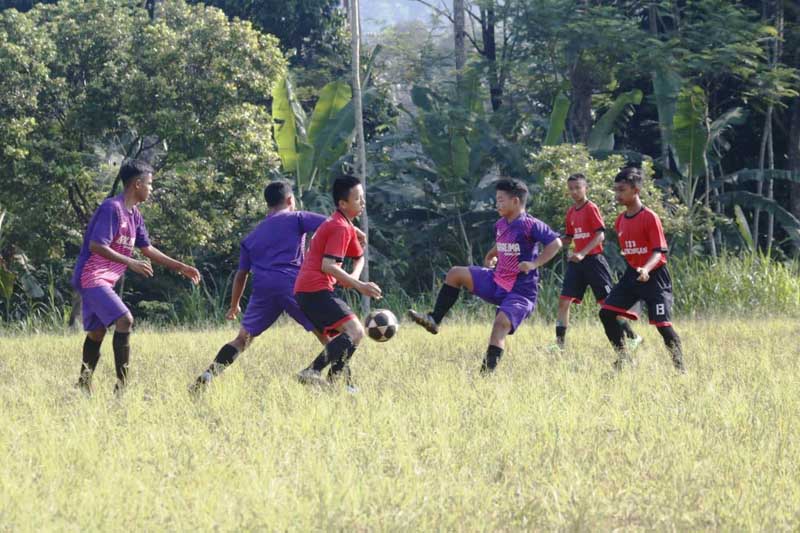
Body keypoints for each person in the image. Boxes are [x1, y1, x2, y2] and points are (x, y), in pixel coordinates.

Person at [190, 180, 342, 392]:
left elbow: (241, 274)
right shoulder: (297, 217)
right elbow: (335, 226)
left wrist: (234, 305)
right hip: (293, 284)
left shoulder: (251, 237)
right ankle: (346, 385)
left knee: (242, 339)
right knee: (328, 334)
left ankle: (205, 377)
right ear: (290, 200)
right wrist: (356, 237)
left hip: (263, 288)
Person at [73, 159, 200, 396]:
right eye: (150, 184)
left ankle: (82, 385)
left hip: (105, 280)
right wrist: (130, 262)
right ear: (137, 184)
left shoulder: (135, 215)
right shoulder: (112, 208)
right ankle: (121, 389)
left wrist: (180, 266)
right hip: (91, 277)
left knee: (97, 333)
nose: (152, 189)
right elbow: (96, 245)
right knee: (125, 320)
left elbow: (147, 249)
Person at [408, 178, 562, 374]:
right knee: (455, 273)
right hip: (496, 280)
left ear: (515, 201)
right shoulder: (500, 224)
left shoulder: (531, 224)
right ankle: (434, 319)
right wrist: (491, 254)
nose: (496, 204)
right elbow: (504, 243)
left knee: (499, 326)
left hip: (520, 292)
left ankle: (484, 377)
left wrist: (534, 263)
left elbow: (556, 243)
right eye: (496, 200)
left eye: (501, 200)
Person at [293, 174, 382, 388]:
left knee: (351, 336)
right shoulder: (340, 227)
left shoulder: (344, 225)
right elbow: (328, 266)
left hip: (309, 291)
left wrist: (353, 277)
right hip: (314, 289)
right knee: (356, 331)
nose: (363, 202)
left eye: (362, 198)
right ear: (342, 203)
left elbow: (359, 256)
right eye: (358, 199)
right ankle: (311, 371)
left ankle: (337, 384)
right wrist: (359, 285)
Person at [599, 167, 685, 372]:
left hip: (655, 276)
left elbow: (659, 252)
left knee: (662, 326)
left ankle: (681, 370)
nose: (618, 195)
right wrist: (636, 270)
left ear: (636, 190)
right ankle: (624, 359)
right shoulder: (620, 220)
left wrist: (646, 269)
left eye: (622, 190)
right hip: (633, 274)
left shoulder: (649, 217)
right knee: (607, 313)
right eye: (616, 190)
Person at [555, 173, 640, 350]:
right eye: (571, 188)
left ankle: (633, 337)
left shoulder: (591, 208)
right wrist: (550, 243)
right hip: (577, 264)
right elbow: (569, 238)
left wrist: (583, 253)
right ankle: (559, 345)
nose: (574, 191)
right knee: (564, 301)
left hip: (594, 262)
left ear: (585, 188)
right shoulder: (571, 212)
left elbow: (600, 235)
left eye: (578, 187)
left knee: (608, 305)